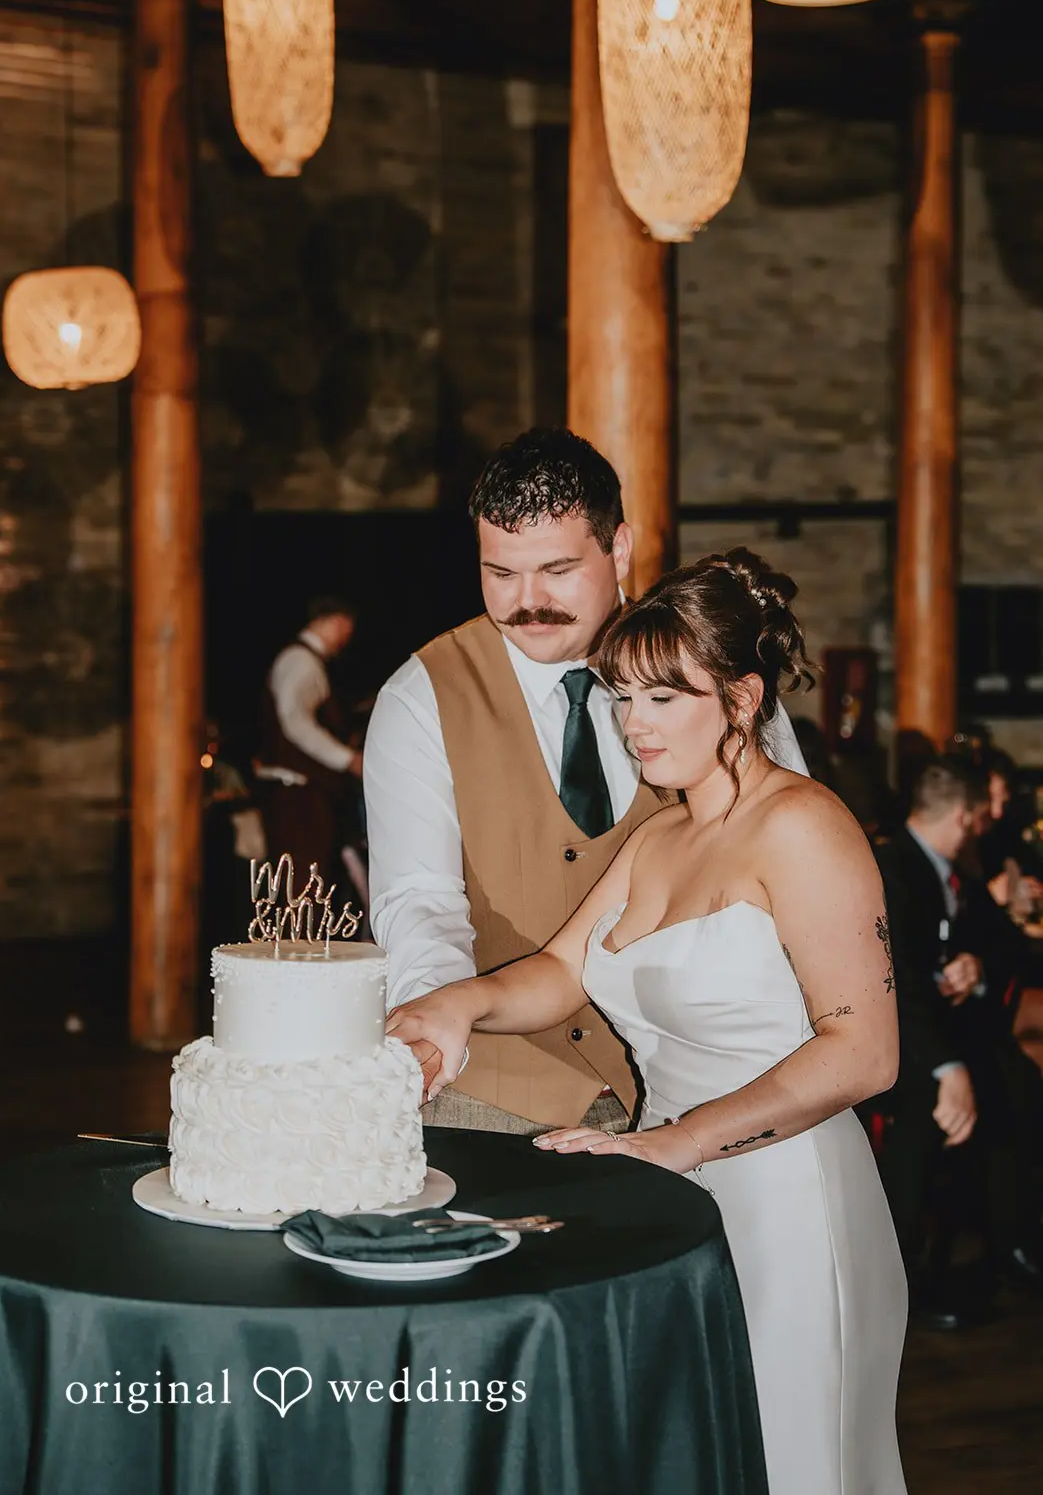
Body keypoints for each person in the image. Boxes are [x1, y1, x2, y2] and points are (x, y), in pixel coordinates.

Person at [387, 548, 906, 1495]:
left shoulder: (804, 826)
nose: (633, 726)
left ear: (741, 700)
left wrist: (678, 1143)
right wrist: (449, 1006)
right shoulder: (659, 835)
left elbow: (864, 1053)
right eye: (622, 698)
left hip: (787, 1202)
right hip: (678, 1194)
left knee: (795, 1467)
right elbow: (557, 971)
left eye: (663, 699)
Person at [364, 429, 807, 1135]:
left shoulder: (710, 664)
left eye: (557, 569)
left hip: (695, 1084)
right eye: (500, 573)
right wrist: (441, 1015)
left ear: (618, 548)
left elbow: (793, 864)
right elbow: (418, 898)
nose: (526, 602)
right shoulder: (420, 697)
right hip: (495, 1087)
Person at [875, 758, 1043, 1323]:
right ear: (966, 816)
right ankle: (902, 1281)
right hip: (891, 1041)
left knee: (1019, 1079)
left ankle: (1009, 1241)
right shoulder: (890, 868)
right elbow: (894, 985)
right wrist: (948, 1067)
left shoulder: (956, 872)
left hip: (945, 1033)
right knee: (928, 1110)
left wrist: (977, 964)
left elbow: (1005, 944)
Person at [255, 595, 363, 891]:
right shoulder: (300, 661)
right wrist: (348, 759)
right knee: (302, 885)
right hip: (297, 794)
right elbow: (295, 721)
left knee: (307, 883)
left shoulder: (306, 661)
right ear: (337, 622)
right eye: (346, 629)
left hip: (305, 792)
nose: (345, 638)